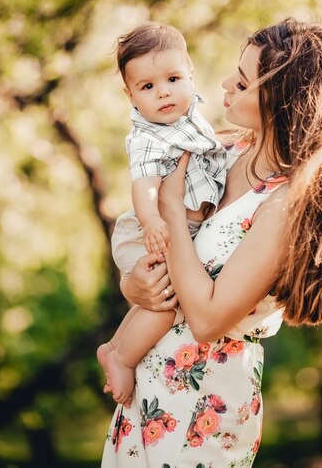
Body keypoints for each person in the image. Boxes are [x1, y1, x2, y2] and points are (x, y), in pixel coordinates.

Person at [101, 18, 322, 466]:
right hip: (144, 395)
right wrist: (135, 286)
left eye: (242, 81)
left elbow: (206, 321)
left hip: (203, 405)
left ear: (281, 101)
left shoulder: (286, 205)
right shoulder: (218, 151)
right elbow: (153, 251)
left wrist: (167, 204)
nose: (224, 83)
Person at [97, 23, 228, 408]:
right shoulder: (147, 137)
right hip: (149, 229)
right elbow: (144, 184)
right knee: (168, 304)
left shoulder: (188, 118)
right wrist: (153, 219)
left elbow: (210, 148)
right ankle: (123, 357)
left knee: (153, 302)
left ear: (190, 73)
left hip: (172, 227)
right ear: (131, 96)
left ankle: (113, 346)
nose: (163, 92)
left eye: (172, 78)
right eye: (147, 87)